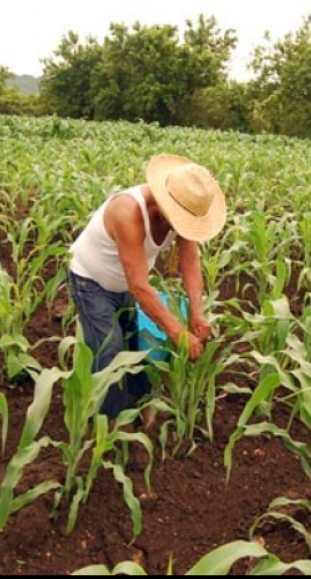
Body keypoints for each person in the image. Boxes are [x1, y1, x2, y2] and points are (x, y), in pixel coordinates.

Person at [68, 154, 227, 421]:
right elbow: (140, 286)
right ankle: (112, 428)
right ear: (166, 204)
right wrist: (179, 332)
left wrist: (196, 313)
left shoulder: (181, 211)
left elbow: (189, 262)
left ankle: (138, 406)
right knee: (109, 350)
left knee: (134, 346)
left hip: (124, 285)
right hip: (90, 281)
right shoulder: (128, 212)